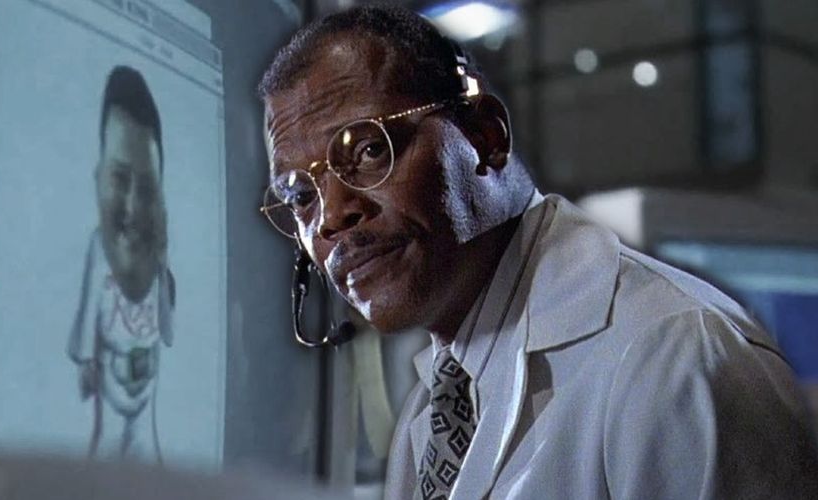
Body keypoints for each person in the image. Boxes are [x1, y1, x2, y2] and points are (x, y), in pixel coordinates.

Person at [257, 6, 818, 499]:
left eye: (368, 151)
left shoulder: (675, 359)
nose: (331, 217)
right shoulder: (428, 417)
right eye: (301, 196)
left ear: (485, 137)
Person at [68, 65, 175, 462]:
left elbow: (167, 331)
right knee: (106, 459)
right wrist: (86, 359)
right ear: (99, 178)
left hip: (146, 387)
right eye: (119, 178)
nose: (131, 207)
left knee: (149, 458)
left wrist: (164, 265)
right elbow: (88, 307)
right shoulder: (99, 249)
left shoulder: (156, 253)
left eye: (146, 188)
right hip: (111, 384)